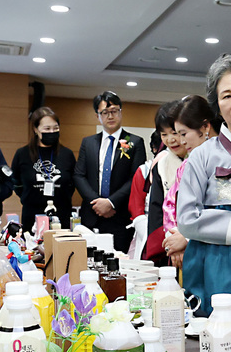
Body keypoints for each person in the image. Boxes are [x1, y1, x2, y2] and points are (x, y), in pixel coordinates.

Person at [177, 53, 231, 346]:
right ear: (217, 104)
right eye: (226, 96)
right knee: (221, 342)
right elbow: (187, 219)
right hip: (216, 262)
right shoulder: (201, 156)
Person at [73, 91, 146, 253]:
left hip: (119, 214)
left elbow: (136, 178)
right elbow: (79, 175)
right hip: (92, 215)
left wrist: (111, 202)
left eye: (114, 111)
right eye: (105, 113)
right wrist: (97, 203)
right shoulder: (88, 142)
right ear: (97, 116)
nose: (110, 116)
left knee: (120, 264)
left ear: (121, 112)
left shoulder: (135, 142)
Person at [163, 96, 217, 268]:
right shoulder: (187, 163)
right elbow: (170, 204)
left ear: (205, 126)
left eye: (184, 134)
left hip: (214, 247)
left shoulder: (223, 158)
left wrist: (186, 237)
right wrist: (174, 238)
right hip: (189, 248)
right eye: (179, 134)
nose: (182, 141)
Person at [130, 99, 185, 264]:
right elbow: (157, 211)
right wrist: (172, 244)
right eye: (164, 134)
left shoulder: (202, 159)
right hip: (169, 244)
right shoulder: (161, 165)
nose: (170, 140)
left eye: (174, 132)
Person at [10, 106, 77, 232]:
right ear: (36, 129)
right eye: (47, 128)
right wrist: (29, 196)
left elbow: (72, 183)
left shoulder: (67, 154)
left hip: (61, 214)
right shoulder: (22, 154)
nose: (52, 132)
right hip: (32, 215)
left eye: (55, 128)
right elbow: (15, 181)